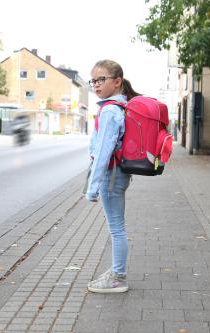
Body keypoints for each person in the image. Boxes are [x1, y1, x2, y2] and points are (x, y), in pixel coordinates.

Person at [85, 59, 141, 293]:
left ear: (117, 82)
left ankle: (118, 277)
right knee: (117, 226)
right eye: (93, 80)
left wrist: (92, 187)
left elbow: (103, 153)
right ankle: (116, 272)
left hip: (110, 175)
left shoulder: (109, 110)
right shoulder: (119, 106)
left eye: (101, 79)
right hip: (118, 174)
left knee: (116, 227)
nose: (96, 84)